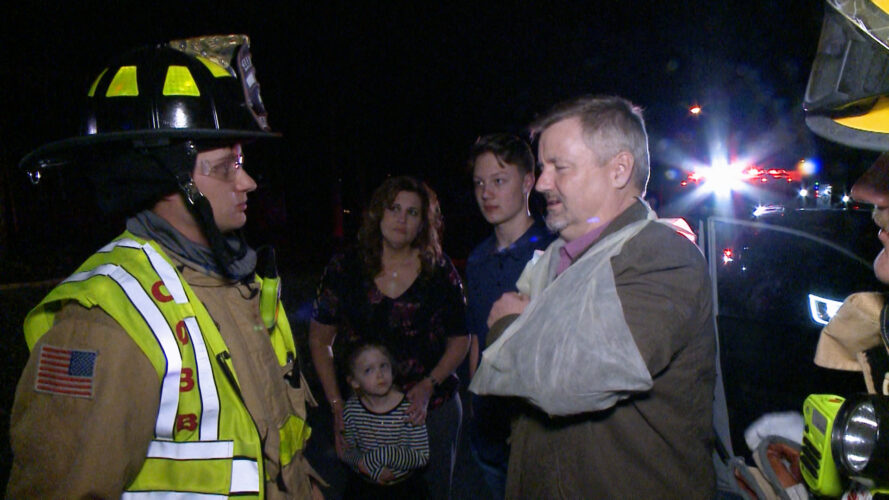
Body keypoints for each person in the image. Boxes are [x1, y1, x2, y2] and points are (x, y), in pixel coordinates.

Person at [7, 36, 324, 499]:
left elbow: (280, 454)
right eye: (224, 167)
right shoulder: (104, 321)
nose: (248, 181)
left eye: (243, 162)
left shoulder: (238, 284)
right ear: (161, 181)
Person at [470, 95, 716, 498]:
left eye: (559, 168)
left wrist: (507, 325)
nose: (543, 183)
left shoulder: (661, 255)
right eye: (542, 167)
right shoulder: (553, 257)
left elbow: (572, 377)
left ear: (619, 169)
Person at [308, 175, 469, 499]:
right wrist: (337, 406)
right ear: (377, 213)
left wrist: (429, 384)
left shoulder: (438, 271)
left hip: (427, 412)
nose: (401, 218)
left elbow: (460, 339)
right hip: (363, 416)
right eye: (394, 208)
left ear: (423, 222)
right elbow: (318, 339)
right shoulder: (345, 267)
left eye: (412, 212)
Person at [464, 133, 554, 499]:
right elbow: (476, 337)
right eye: (479, 183)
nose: (486, 193)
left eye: (499, 181)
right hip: (488, 429)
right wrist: (474, 402)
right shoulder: (476, 260)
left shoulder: (555, 250)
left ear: (528, 182)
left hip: (537, 426)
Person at [341, 342, 430, 499]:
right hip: (367, 486)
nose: (380, 374)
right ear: (354, 381)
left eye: (384, 366)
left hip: (405, 488)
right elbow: (347, 451)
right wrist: (364, 464)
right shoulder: (351, 410)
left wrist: (383, 455)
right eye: (369, 370)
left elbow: (422, 456)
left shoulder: (410, 409)